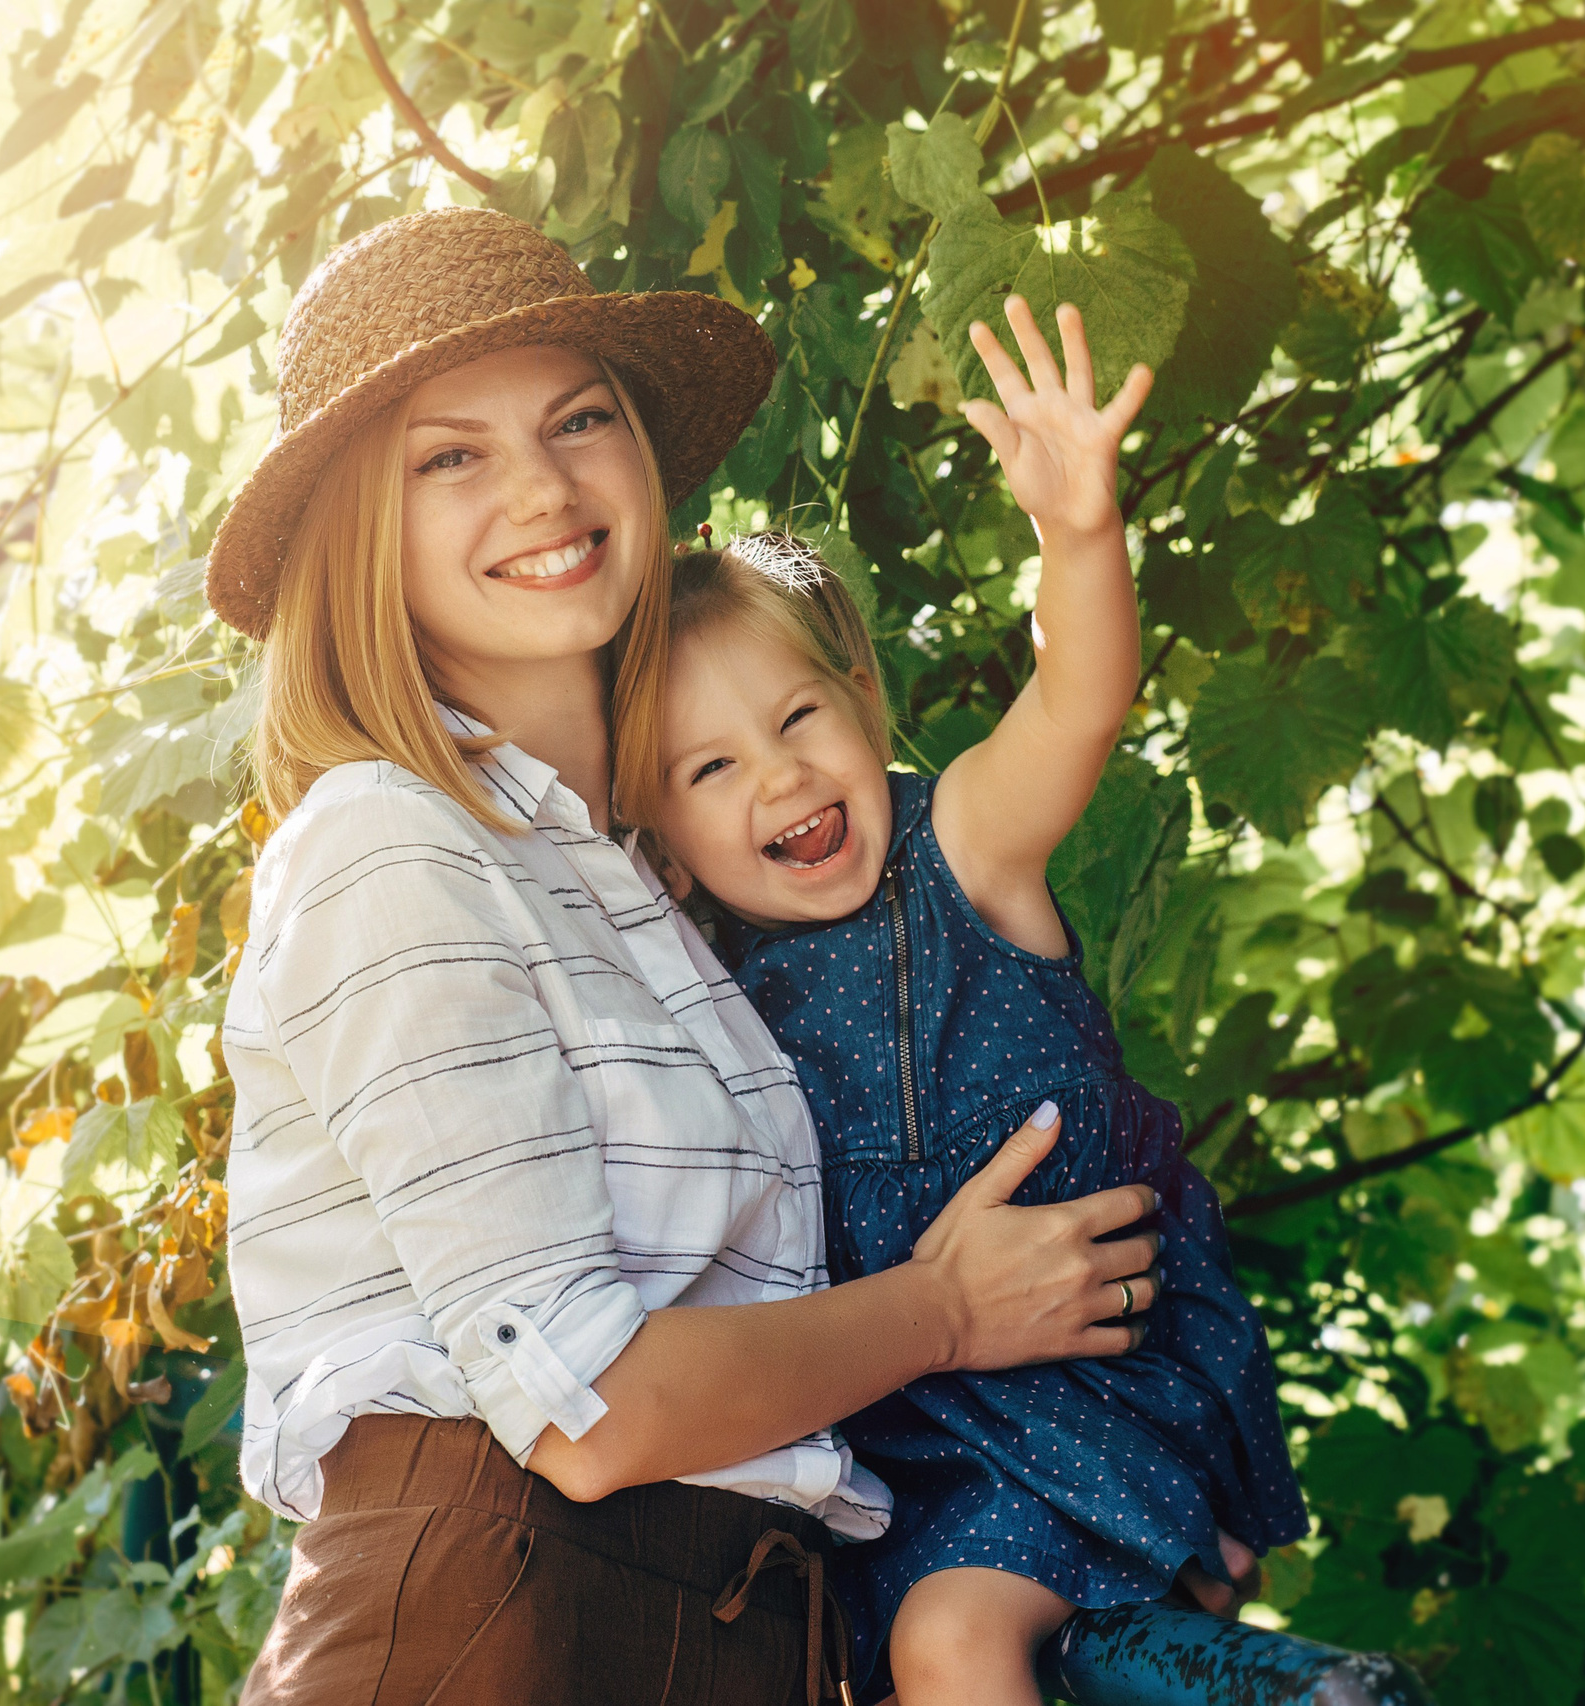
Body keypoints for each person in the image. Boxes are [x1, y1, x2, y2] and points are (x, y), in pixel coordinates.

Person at [205, 205, 1167, 1706]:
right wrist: (951, 1310)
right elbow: (585, 1407)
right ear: (357, 537)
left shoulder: (653, 884)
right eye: (449, 455)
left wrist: (1119, 1468)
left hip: (721, 1638)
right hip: (493, 1641)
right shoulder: (389, 843)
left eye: (579, 419)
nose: (541, 484)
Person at [618, 299, 1310, 1705]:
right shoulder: (703, 986)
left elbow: (1079, 701)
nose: (782, 780)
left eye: (799, 719)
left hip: (1077, 1388)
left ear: (861, 701)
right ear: (658, 839)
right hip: (892, 1430)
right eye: (710, 771)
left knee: (951, 1644)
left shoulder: (964, 852)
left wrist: (1079, 535)